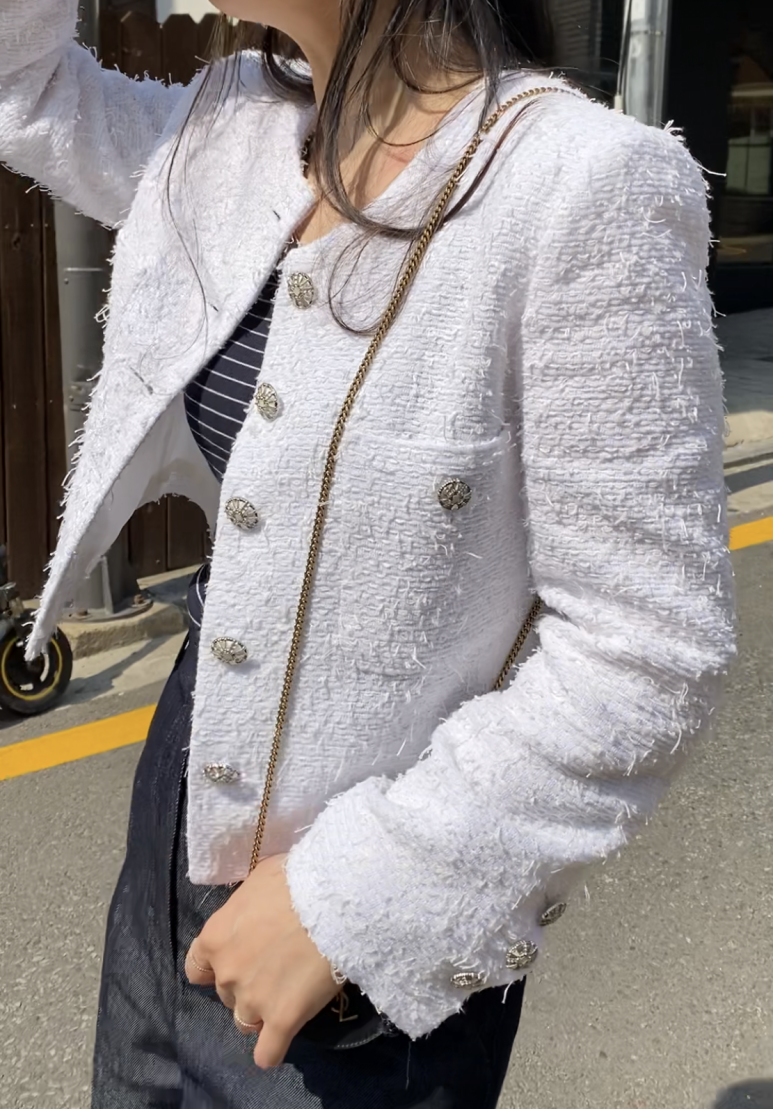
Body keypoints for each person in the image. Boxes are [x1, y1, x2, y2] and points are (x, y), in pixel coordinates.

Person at [1, 0, 737, 1105]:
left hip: (370, 907)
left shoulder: (581, 185)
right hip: (180, 805)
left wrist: (358, 897)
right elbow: (23, 87)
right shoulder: (228, 126)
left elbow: (648, 650)